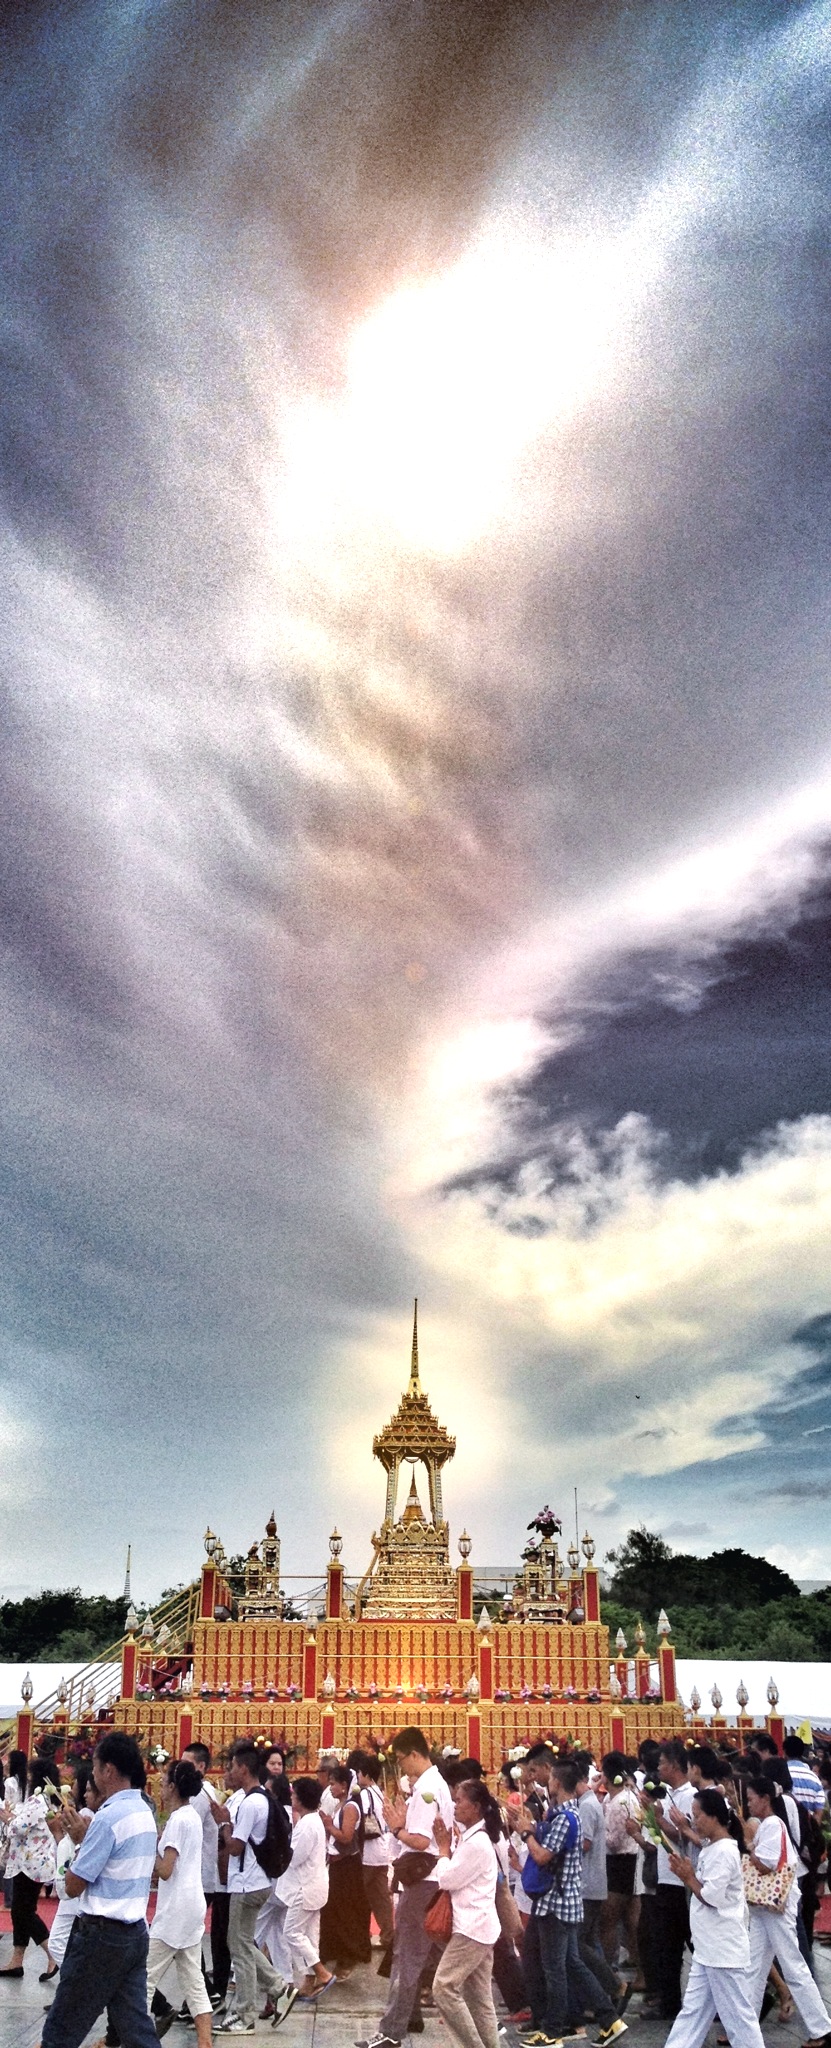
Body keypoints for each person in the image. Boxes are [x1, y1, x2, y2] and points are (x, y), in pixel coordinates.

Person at [40, 1730, 160, 2048]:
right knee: (136, 2027)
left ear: (108, 1769)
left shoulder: (108, 1817)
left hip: (100, 1936)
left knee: (61, 2029)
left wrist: (76, 1843)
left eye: (94, 1767)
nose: (92, 1774)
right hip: (134, 1931)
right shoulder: (144, 1812)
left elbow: (74, 1884)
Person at [516, 1755, 627, 2048]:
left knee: (555, 1969)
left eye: (550, 1777)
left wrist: (527, 1834)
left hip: (557, 1904)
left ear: (556, 1782)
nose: (547, 1782)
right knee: (571, 1963)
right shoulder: (564, 1814)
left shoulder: (567, 1818)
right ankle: (609, 2018)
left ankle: (553, 2030)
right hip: (562, 1902)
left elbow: (542, 1856)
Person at [355, 1724, 454, 2048]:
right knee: (423, 1952)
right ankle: (411, 2015)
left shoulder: (427, 1788)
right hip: (431, 1878)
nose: (400, 1767)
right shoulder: (434, 1784)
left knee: (406, 1954)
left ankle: (391, 2030)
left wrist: (397, 1829)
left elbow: (421, 1839)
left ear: (414, 1754)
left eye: (401, 1759)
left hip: (421, 1880)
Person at [661, 1786, 766, 2048]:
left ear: (715, 1817)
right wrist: (688, 1876)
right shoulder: (713, 1848)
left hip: (723, 1948)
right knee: (693, 2013)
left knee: (739, 2017)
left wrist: (688, 1878)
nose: (693, 1821)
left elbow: (711, 1897)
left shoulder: (725, 1852)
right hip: (709, 1948)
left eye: (697, 1816)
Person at [744, 1773, 831, 2047]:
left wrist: (747, 1848)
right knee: (755, 1968)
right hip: (766, 1907)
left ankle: (821, 2028)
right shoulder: (773, 1824)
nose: (748, 1805)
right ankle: (743, 2028)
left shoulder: (772, 1824)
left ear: (765, 1799)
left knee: (792, 1966)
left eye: (750, 1799)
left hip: (774, 1907)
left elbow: (765, 1864)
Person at [210, 1740, 289, 2035]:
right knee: (241, 1942)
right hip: (259, 1881)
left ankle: (245, 2014)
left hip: (247, 1884)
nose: (229, 1771)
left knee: (239, 1947)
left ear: (243, 1768)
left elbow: (234, 1847)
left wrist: (223, 1823)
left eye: (232, 1766)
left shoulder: (250, 1802)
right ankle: (278, 1985)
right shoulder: (261, 1798)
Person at [431, 1778, 501, 2048]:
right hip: (480, 1926)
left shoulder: (476, 1843)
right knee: (479, 1999)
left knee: (443, 1987)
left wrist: (443, 1850)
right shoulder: (474, 1838)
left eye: (459, 1800)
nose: (455, 1805)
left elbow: (447, 1879)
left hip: (472, 1928)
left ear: (476, 1807)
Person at [147, 1758, 212, 2047]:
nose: (160, 1787)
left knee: (143, 1978)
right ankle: (205, 2041)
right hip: (192, 1904)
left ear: (173, 1787)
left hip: (175, 1909)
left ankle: (128, 2037)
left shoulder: (177, 1820)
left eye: (163, 1783)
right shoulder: (191, 1816)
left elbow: (165, 1869)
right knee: (192, 1978)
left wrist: (149, 1846)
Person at [272, 1775, 332, 2008]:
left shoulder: (307, 1824)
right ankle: (308, 1980)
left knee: (292, 1933)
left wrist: (279, 1849)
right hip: (314, 1885)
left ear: (302, 1798)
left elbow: (294, 1858)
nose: (292, 1797)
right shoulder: (312, 1820)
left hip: (304, 1888)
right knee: (308, 1935)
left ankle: (321, 1972)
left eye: (294, 1794)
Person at [0, 1758, 59, 1978]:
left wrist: (6, 1818)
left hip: (29, 1863)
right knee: (21, 1911)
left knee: (23, 1912)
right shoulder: (49, 1800)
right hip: (34, 1861)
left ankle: (52, 1955)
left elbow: (18, 1827)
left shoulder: (38, 1801)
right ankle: (17, 1960)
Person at [651, 1740, 697, 2022]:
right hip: (667, 1876)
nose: (658, 1768)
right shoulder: (668, 1794)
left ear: (675, 1765)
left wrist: (658, 1821)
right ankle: (669, 2004)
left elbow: (686, 1835)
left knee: (689, 1942)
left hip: (680, 1879)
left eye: (662, 1763)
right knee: (666, 1945)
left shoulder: (689, 1796)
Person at [182, 1742, 225, 2006]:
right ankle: (202, 1994)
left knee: (188, 1935)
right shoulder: (203, 1792)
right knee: (189, 1937)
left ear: (201, 1766)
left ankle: (206, 1992)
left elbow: (186, 1825)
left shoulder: (199, 1794)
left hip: (200, 1874)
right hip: (202, 1873)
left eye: (187, 1764)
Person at [319, 1764, 372, 1976]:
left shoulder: (350, 1807)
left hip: (347, 1866)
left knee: (346, 1911)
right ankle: (334, 1950)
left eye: (333, 1784)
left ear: (343, 1785)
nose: (330, 1788)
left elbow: (347, 1836)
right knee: (334, 1910)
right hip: (338, 1864)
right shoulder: (342, 1804)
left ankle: (348, 1953)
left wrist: (329, 1826)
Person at [598, 1755, 640, 1976]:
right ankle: (635, 1962)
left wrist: (598, 1834)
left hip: (622, 1862)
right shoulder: (612, 1799)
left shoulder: (621, 1802)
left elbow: (613, 1842)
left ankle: (607, 1965)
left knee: (610, 1918)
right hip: (625, 1862)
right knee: (629, 1920)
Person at [356, 1753, 394, 1958]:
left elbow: (359, 1819)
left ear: (366, 1774)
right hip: (381, 1850)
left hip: (369, 1853)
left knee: (359, 1896)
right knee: (380, 1897)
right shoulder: (379, 1792)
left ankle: (361, 1936)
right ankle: (389, 1935)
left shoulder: (364, 1794)